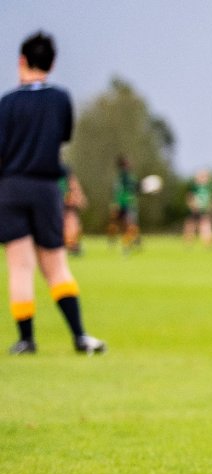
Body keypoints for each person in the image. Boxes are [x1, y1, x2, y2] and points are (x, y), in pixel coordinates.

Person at [3, 32, 106, 355]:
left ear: (21, 60)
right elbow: (62, 137)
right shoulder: (60, 99)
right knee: (56, 264)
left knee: (20, 266)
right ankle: (79, 335)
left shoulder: (6, 103)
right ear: (52, 63)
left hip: (9, 187)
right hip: (45, 187)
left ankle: (26, 339)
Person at [107, 155, 141, 253]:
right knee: (124, 224)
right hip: (124, 203)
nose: (129, 164)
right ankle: (128, 242)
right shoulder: (124, 176)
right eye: (127, 163)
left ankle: (130, 243)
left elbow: (135, 188)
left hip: (129, 203)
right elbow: (121, 190)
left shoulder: (128, 176)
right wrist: (116, 202)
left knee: (129, 224)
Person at [184, 169, 212, 247]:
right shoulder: (195, 187)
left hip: (204, 210)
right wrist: (192, 206)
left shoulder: (209, 188)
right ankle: (188, 243)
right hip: (196, 210)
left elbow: (211, 200)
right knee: (190, 226)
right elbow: (190, 198)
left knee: (205, 226)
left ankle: (208, 244)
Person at [60, 167, 85, 256]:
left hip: (65, 202)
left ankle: (72, 244)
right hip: (62, 201)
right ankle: (71, 245)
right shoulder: (64, 172)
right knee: (70, 223)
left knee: (72, 223)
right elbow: (74, 186)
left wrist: (78, 198)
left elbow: (74, 186)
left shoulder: (66, 172)